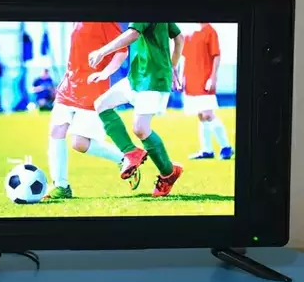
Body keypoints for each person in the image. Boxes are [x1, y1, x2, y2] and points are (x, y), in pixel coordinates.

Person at [46, 22, 141, 200]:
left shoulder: (105, 20)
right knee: (56, 130)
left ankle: (124, 159)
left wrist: (105, 73)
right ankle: (61, 186)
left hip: (93, 87)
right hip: (69, 85)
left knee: (79, 143)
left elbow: (122, 52)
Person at [88, 23, 184, 198]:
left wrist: (102, 52)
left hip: (153, 78)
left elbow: (132, 34)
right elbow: (179, 37)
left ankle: (168, 173)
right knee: (102, 104)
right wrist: (173, 66)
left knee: (140, 128)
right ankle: (131, 152)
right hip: (135, 76)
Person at [181, 23, 234, 160]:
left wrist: (213, 77)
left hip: (204, 79)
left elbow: (216, 55)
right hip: (191, 79)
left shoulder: (209, 31)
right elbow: (185, 57)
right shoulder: (189, 32)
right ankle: (206, 150)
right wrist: (181, 78)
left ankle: (226, 147)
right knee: (200, 115)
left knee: (208, 114)